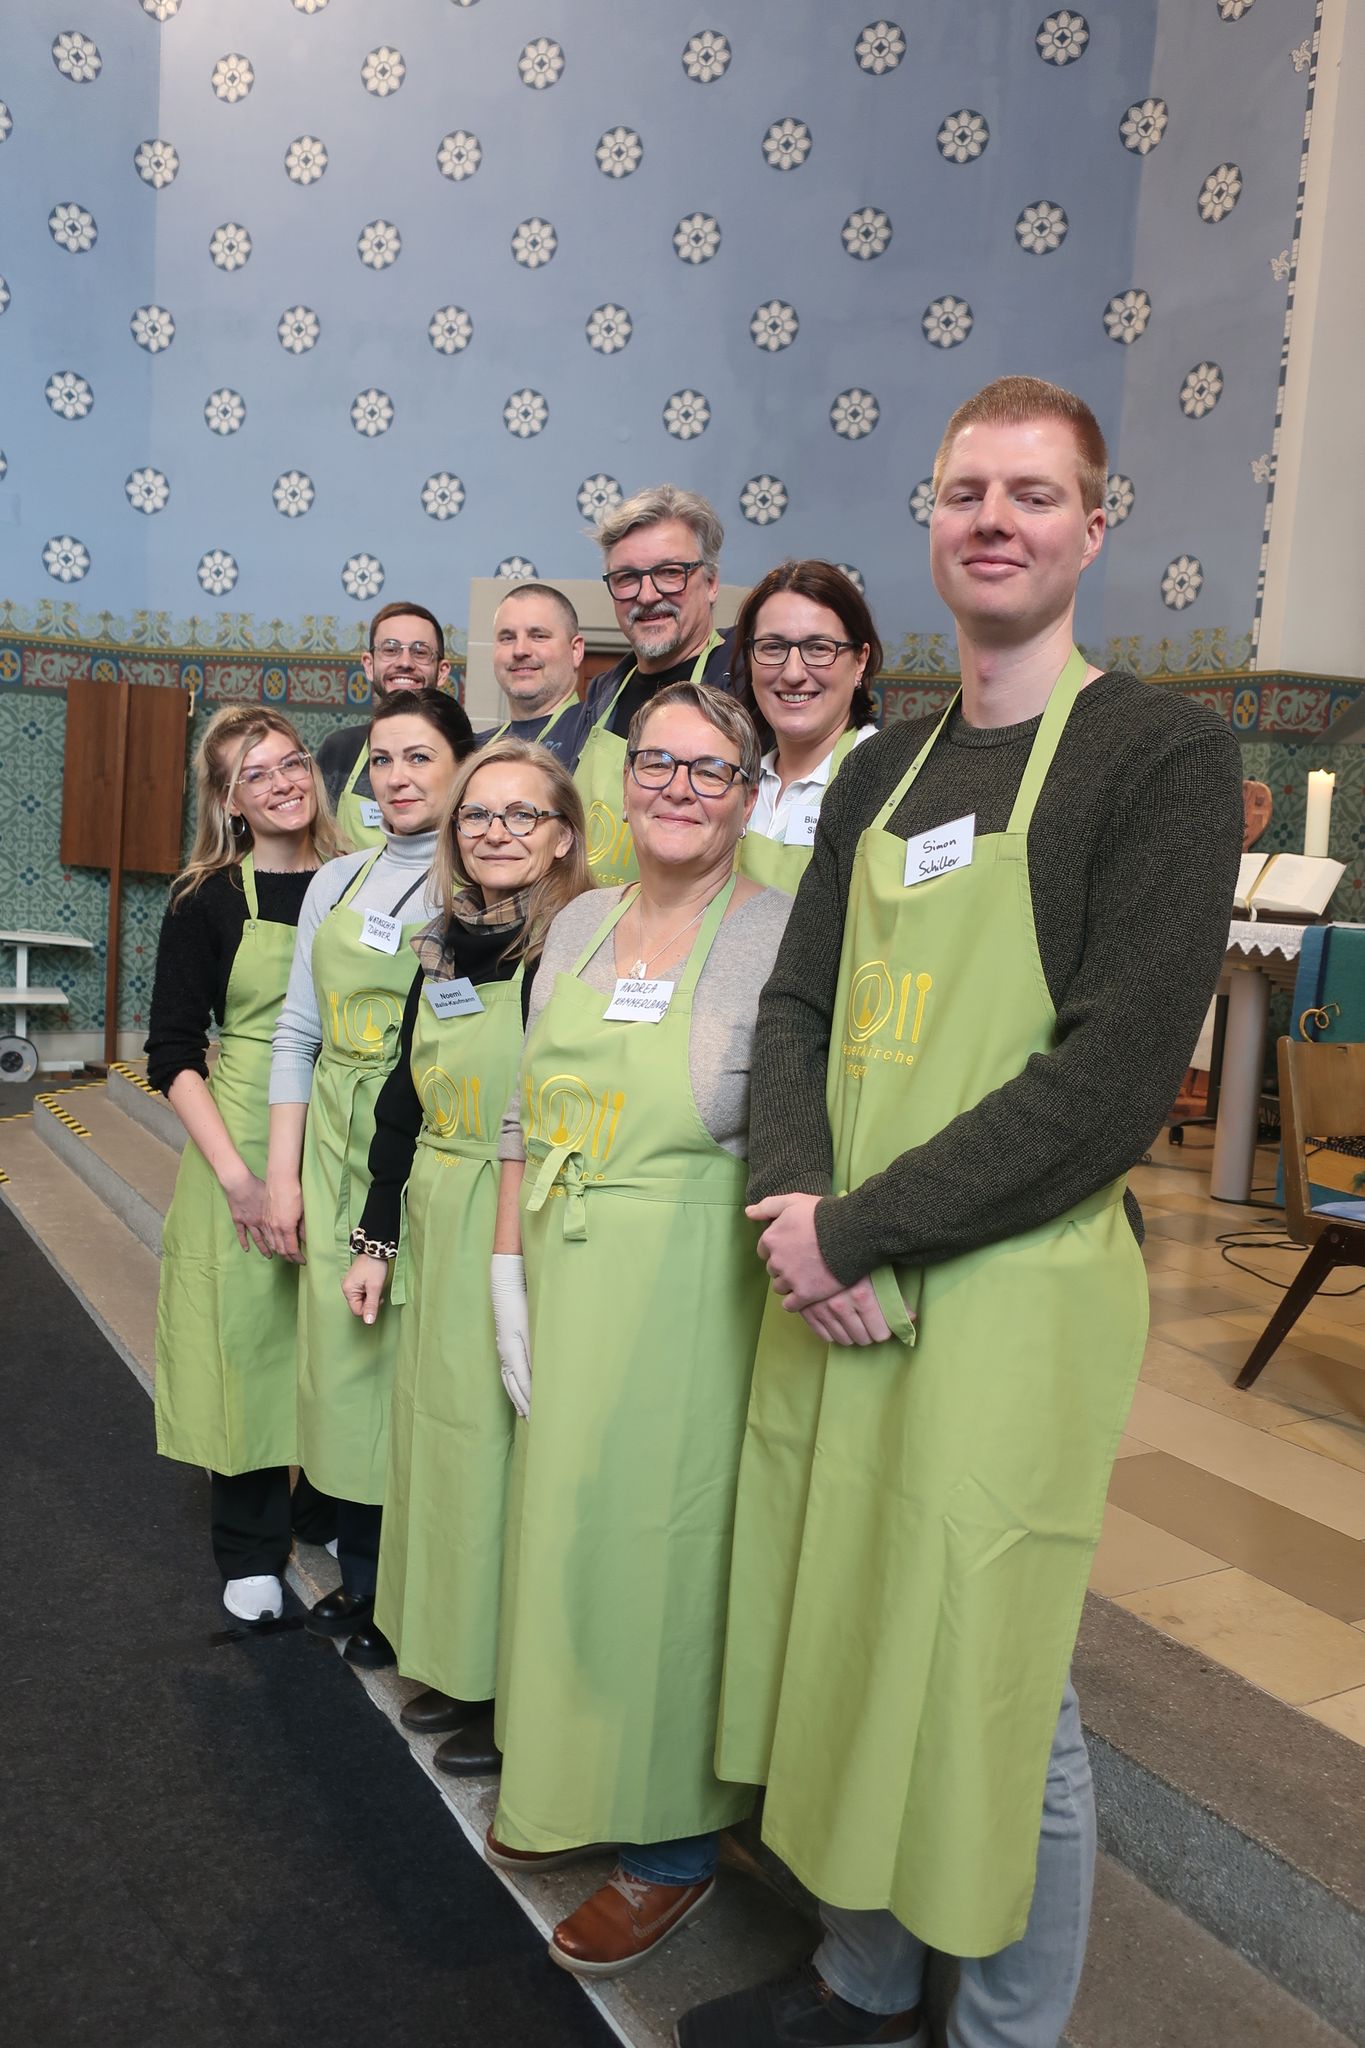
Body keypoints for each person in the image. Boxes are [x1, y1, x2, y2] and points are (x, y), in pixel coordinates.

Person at [683, 377, 1244, 2048]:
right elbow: (796, 1002)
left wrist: (859, 1231)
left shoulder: (1159, 755)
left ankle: (1003, 2026)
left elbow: (1115, 1079)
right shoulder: (884, 768)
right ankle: (863, 1975)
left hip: (1005, 1279)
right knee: (847, 1614)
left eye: (1033, 492)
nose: (995, 519)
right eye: (966, 491)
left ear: (1095, 524)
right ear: (929, 520)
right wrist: (795, 1200)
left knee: (999, 1669)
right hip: (837, 1264)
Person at [483, 682, 792, 1979]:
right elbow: (521, 1107)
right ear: (622, 784)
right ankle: (571, 1778)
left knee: (666, 1555)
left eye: (709, 770)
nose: (677, 788)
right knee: (567, 1534)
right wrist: (506, 1265)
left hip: (689, 1289)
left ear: (747, 795)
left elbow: (801, 1134)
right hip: (565, 1263)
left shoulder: (779, 934)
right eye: (657, 763)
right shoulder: (579, 922)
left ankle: (671, 1845)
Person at [339, 741, 591, 1758]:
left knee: (502, 1456)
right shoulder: (441, 945)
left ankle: (507, 1687)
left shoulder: (574, 947)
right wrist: (376, 1235)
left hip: (515, 1215)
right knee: (441, 1446)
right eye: (478, 815)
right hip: (437, 1212)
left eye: (522, 815)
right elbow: (400, 1102)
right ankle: (450, 1652)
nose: (495, 833)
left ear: (563, 835)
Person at [265, 687, 475, 1667]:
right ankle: (363, 1571)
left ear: (461, 764)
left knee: (411, 1368)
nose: (396, 776)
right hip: (330, 1139)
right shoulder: (337, 881)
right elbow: (294, 1031)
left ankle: (414, 1587)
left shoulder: (474, 881)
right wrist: (283, 1176)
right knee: (346, 1367)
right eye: (381, 759)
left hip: (421, 1143)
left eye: (419, 756)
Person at [148, 707, 344, 1622]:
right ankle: (251, 1546)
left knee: (338, 1336)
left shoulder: (358, 880)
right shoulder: (206, 899)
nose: (281, 783)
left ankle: (326, 1504)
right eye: (253, 775)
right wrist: (238, 1179)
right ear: (228, 803)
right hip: (242, 1134)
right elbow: (173, 1051)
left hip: (339, 1127)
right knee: (249, 1340)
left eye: (290, 762)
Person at [576, 485, 734, 885]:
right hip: (589, 913)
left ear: (711, 583)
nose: (647, 595)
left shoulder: (744, 680)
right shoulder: (604, 692)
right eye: (626, 578)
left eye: (670, 573)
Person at [733, 560, 882, 891]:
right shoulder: (732, 782)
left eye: (818, 648)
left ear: (860, 661)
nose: (793, 674)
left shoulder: (887, 781)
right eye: (773, 647)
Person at [316, 602, 452, 851]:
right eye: (390, 649)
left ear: (442, 671)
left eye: (420, 652)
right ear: (369, 665)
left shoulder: (463, 750)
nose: (405, 662)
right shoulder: (340, 750)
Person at [479, 583, 595, 770]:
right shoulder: (474, 751)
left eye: (538, 636)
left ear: (575, 651)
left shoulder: (597, 733)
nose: (520, 650)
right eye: (507, 638)